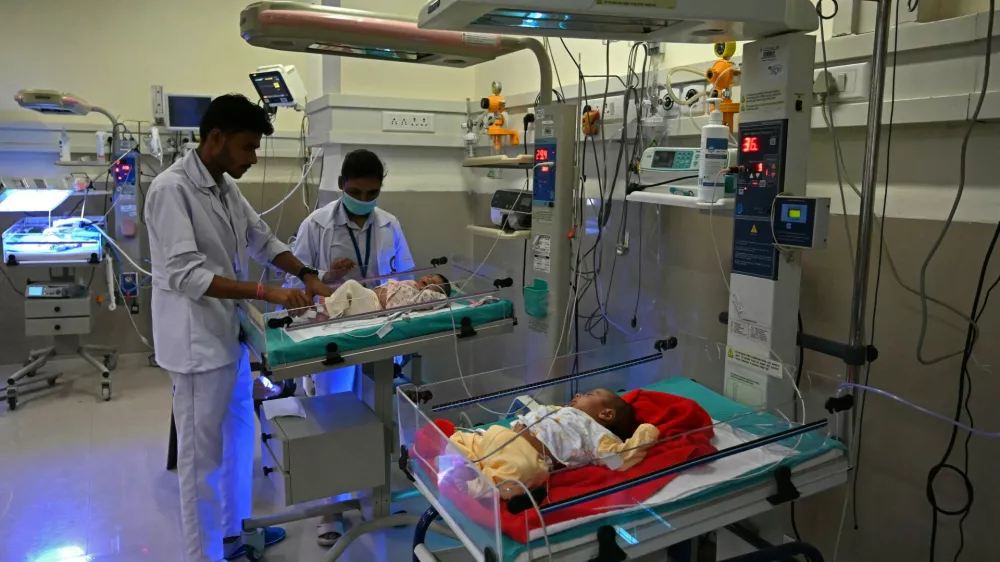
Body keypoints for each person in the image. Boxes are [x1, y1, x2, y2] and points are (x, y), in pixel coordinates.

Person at [145, 94, 332, 562]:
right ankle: (204, 555)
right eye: (247, 148)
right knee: (200, 461)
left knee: (238, 440)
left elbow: (261, 240)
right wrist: (265, 293)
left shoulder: (224, 187)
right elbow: (187, 275)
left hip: (228, 340)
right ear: (216, 138)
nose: (251, 159)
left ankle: (233, 535)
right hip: (194, 347)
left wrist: (307, 272)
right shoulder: (172, 191)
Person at [284, 148, 414, 545]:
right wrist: (324, 275)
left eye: (372, 192)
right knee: (333, 416)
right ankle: (330, 509)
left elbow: (407, 275)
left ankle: (374, 494)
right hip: (334, 332)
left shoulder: (389, 224)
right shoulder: (317, 225)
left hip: (378, 330)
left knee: (376, 412)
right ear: (341, 186)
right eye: (356, 190)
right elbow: (294, 283)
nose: (365, 199)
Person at [447, 389, 660, 498]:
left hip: (526, 454)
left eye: (589, 394)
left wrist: (646, 433)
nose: (578, 394)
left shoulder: (599, 435)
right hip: (502, 436)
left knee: (526, 471)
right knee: (466, 439)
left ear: (606, 413)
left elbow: (618, 460)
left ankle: (476, 485)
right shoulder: (563, 410)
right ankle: (460, 460)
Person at [319, 274, 451, 319]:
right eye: (429, 276)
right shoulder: (411, 284)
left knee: (351, 285)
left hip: (377, 307)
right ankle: (325, 312)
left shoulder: (420, 298)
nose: (429, 279)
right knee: (346, 304)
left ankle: (326, 311)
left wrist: (440, 292)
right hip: (370, 297)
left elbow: (441, 299)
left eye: (434, 282)